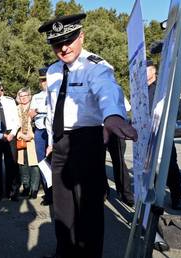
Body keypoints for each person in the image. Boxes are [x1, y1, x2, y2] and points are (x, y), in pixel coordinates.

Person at [38, 14, 138, 258]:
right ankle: (64, 253)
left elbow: (108, 90)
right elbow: (52, 110)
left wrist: (113, 115)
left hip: (87, 142)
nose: (63, 47)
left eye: (69, 39)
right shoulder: (52, 71)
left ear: (81, 36)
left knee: (88, 211)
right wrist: (52, 142)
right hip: (61, 144)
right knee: (62, 210)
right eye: (57, 43)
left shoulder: (96, 66)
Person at [147, 60, 181, 210]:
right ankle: (153, 201)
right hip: (147, 136)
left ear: (153, 70)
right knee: (149, 170)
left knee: (171, 168)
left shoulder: (165, 87)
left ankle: (176, 197)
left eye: (146, 69)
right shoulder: (141, 90)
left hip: (163, 135)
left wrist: (167, 122)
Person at [29, 67, 53, 205]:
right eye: (42, 81)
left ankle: (59, 193)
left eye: (47, 80)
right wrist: (35, 112)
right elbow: (31, 114)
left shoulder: (55, 93)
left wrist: (38, 110)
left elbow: (48, 110)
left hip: (53, 132)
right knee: (42, 163)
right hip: (40, 131)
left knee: (55, 163)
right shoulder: (36, 97)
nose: (45, 83)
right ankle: (48, 194)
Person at [16, 87, 41, 199]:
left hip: (33, 140)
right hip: (20, 139)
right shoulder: (16, 109)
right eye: (21, 96)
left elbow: (40, 123)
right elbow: (13, 124)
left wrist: (31, 136)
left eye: (26, 95)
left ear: (30, 96)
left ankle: (34, 189)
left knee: (34, 165)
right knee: (23, 164)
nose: (23, 98)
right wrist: (19, 135)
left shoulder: (35, 108)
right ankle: (26, 188)